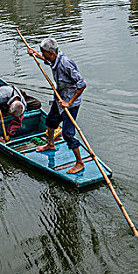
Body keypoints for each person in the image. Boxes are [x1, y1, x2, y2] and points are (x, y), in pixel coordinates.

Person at [27, 38, 87, 174]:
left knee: (67, 134)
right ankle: (50, 144)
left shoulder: (65, 64)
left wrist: (69, 102)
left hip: (69, 103)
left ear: (51, 53)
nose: (43, 54)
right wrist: (35, 54)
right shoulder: (54, 59)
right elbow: (47, 61)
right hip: (59, 99)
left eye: (44, 52)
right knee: (50, 121)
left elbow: (82, 84)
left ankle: (79, 163)